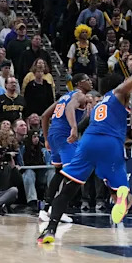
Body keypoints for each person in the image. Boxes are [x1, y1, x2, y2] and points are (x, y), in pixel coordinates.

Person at [37, 73, 132, 244]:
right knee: (124, 194)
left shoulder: (100, 105)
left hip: (88, 142)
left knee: (68, 188)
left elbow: (129, 135)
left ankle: (50, 229)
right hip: (110, 145)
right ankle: (121, 196)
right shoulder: (117, 94)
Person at [39, 73, 92, 224]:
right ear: (80, 83)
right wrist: (74, 128)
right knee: (73, 174)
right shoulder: (79, 96)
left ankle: (47, 209)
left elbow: (44, 116)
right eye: (88, 80)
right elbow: (70, 108)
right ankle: (57, 208)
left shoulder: (64, 96)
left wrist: (47, 138)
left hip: (55, 135)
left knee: (59, 172)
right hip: (65, 136)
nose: (91, 82)